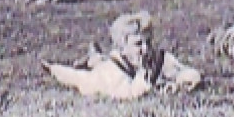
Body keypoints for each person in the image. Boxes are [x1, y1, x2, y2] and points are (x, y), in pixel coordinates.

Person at [43, 12, 202, 98]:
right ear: (122, 47)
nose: (145, 49)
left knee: (98, 61)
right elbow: (129, 94)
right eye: (138, 44)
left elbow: (189, 73)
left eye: (148, 42)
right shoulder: (112, 70)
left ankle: (95, 56)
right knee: (78, 78)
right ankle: (55, 68)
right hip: (99, 78)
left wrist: (180, 83)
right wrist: (146, 78)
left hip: (118, 65)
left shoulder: (156, 57)